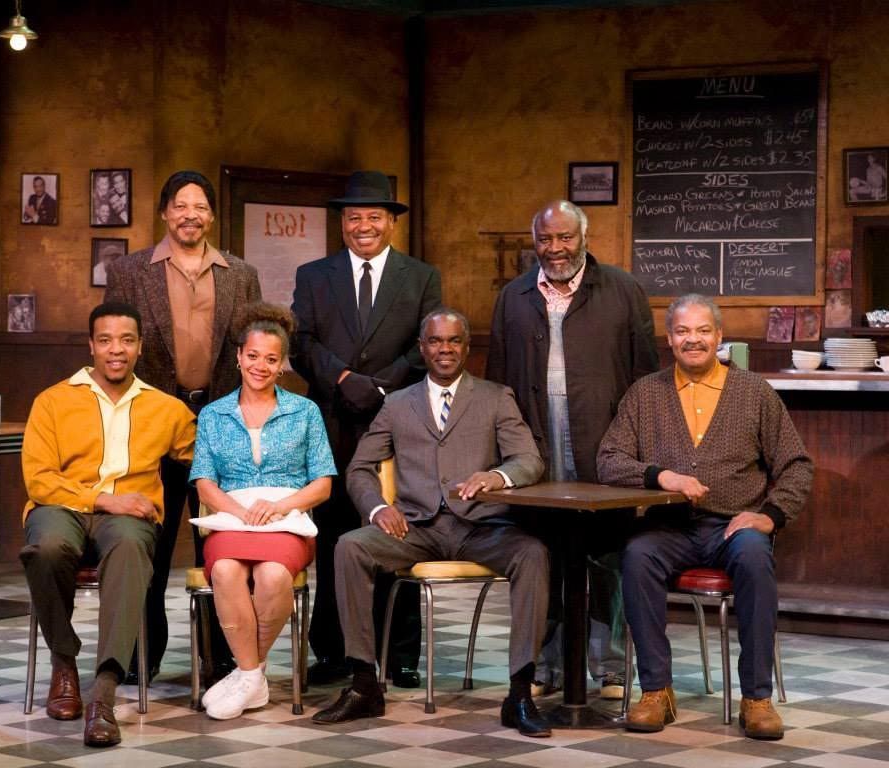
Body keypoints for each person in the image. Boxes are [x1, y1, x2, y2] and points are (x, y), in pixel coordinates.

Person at [312, 308, 550, 736]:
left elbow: (529, 460)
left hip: (481, 528)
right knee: (350, 546)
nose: (445, 349)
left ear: (466, 347)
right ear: (422, 349)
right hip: (415, 529)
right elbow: (359, 468)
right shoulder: (396, 403)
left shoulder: (496, 397)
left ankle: (519, 694)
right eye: (436, 341)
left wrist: (497, 476)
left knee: (533, 553)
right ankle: (364, 684)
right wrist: (377, 508)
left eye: (454, 340)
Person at [597, 293, 813, 740]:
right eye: (682, 331)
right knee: (636, 556)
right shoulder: (645, 393)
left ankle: (757, 698)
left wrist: (771, 515)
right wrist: (661, 477)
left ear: (719, 336)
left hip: (732, 527)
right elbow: (609, 460)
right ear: (669, 339)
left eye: (702, 331)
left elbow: (796, 465)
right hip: (667, 527)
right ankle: (656, 691)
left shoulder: (753, 392)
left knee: (755, 557)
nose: (692, 340)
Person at [486, 200, 658, 699]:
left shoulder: (622, 289)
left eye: (565, 237)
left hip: (606, 445)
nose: (555, 248)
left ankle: (609, 666)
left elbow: (645, 377)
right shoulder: (514, 296)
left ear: (584, 237)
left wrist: (639, 451)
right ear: (534, 241)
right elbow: (498, 381)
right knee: (542, 552)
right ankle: (544, 666)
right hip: (534, 446)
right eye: (545, 239)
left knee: (606, 553)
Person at [105, 170, 262, 684]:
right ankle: (140, 654)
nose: (190, 215)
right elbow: (115, 346)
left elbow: (255, 347)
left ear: (211, 216)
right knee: (148, 542)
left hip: (220, 428)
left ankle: (219, 658)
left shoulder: (241, 274)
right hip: (152, 428)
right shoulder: (129, 271)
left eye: (200, 207)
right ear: (165, 212)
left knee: (221, 545)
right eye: (180, 205)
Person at [19, 302, 195, 747]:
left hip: (128, 521)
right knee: (46, 547)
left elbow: (210, 454)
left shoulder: (167, 409)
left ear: (140, 347)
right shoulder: (53, 401)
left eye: (127, 340)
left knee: (132, 548)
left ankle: (104, 693)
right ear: (91, 346)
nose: (116, 349)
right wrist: (105, 500)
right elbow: (39, 480)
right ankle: (64, 664)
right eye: (106, 340)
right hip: (62, 507)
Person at [291, 170, 441, 687]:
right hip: (332, 421)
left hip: (400, 420)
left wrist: (381, 386)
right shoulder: (313, 275)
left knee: (401, 528)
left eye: (374, 216)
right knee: (335, 533)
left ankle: (400, 654)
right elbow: (301, 342)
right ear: (342, 223)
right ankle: (334, 652)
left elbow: (429, 342)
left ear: (391, 222)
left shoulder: (421, 277)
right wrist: (343, 378)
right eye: (354, 217)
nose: (363, 226)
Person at [190, 303, 336, 718]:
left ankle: (246, 675)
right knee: (224, 570)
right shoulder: (213, 414)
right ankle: (253, 675)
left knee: (273, 575)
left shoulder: (305, 412)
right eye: (252, 356)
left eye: (271, 359)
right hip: (230, 517)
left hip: (286, 519)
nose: (260, 366)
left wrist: (278, 506)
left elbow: (323, 484)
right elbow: (204, 482)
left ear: (282, 364)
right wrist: (240, 511)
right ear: (238, 356)